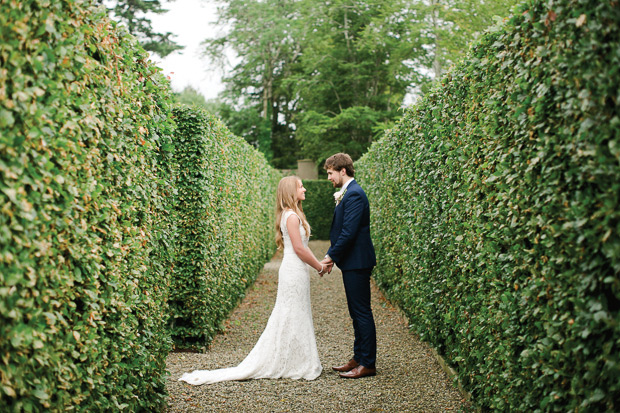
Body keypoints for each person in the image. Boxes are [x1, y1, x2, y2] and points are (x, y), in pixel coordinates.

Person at [179, 176, 325, 385]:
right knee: (290, 312)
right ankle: (291, 361)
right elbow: (300, 249)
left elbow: (302, 247)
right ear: (291, 191)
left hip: (297, 270)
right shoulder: (291, 216)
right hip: (293, 271)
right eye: (300, 186)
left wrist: (319, 263)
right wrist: (319, 266)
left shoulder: (292, 214)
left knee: (296, 312)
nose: (305, 189)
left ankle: (296, 359)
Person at [320, 153, 377, 379]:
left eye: (330, 173)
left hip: (358, 261)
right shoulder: (349, 193)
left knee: (362, 312)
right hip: (353, 261)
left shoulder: (354, 194)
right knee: (356, 312)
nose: (328, 178)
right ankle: (358, 357)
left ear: (343, 171)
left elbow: (348, 233)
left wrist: (329, 257)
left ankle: (368, 363)